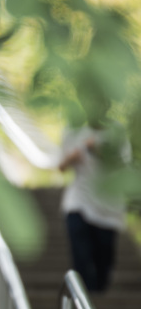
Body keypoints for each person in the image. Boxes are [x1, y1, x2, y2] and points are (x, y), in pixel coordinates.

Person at [59, 123, 128, 293]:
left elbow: (123, 167)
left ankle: (97, 300)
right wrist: (73, 156)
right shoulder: (73, 131)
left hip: (108, 209)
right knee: (80, 256)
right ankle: (83, 299)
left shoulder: (117, 134)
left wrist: (98, 151)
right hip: (78, 202)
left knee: (103, 261)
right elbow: (61, 166)